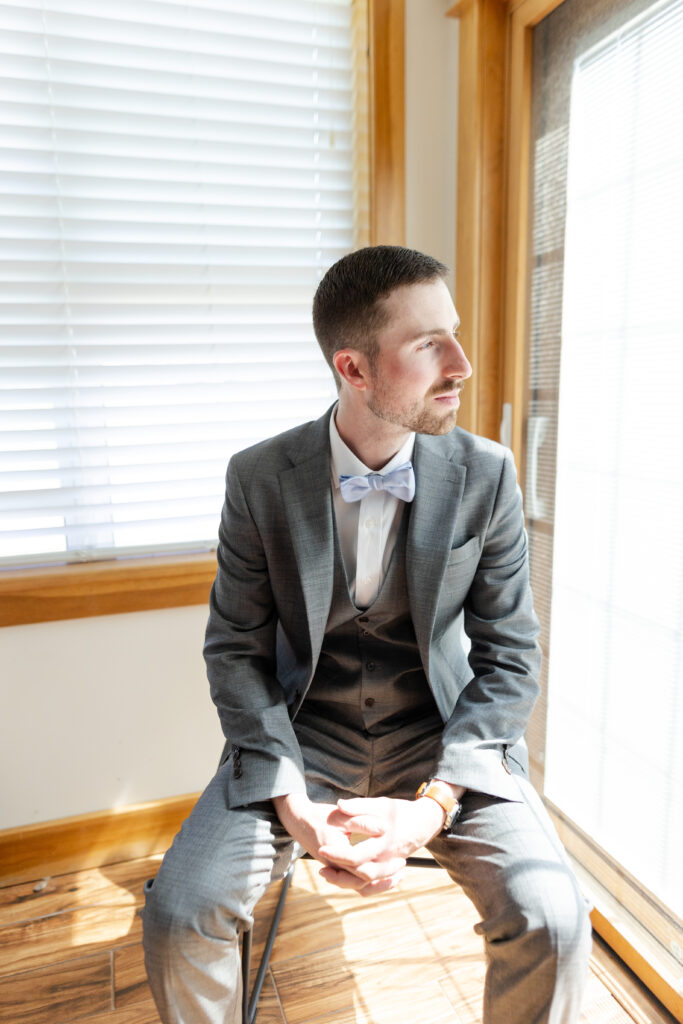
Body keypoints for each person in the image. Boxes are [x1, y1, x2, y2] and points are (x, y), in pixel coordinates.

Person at [143, 245, 592, 1023]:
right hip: (298, 736)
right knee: (180, 915)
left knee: (553, 918)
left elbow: (510, 655)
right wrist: (292, 802)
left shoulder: (487, 475)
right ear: (353, 369)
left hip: (445, 737)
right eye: (428, 345)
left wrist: (434, 805)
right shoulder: (258, 478)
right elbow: (236, 652)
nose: (462, 364)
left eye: (451, 334)